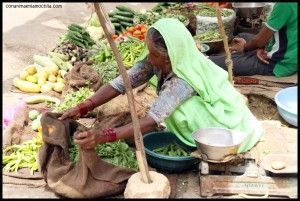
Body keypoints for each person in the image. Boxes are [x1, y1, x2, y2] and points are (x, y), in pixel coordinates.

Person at [60, 18, 263, 154]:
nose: (149, 57)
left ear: (169, 58)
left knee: (179, 109)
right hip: (209, 109)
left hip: (222, 123)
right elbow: (120, 84)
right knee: (166, 107)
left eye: (154, 54)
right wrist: (83, 106)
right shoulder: (157, 61)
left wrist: (103, 136)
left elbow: (151, 121)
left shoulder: (183, 79)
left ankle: (190, 139)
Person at [209, 3, 298, 77]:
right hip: (291, 56)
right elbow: (266, 37)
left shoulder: (285, 4)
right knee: (243, 36)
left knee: (211, 62)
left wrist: (245, 47)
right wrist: (261, 47)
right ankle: (240, 53)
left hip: (279, 64)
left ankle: (231, 56)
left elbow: (259, 41)